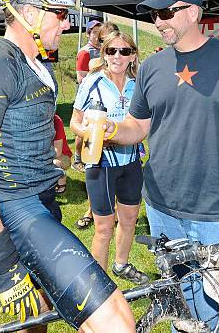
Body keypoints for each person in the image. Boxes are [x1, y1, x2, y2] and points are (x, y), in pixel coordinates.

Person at [0, 0, 134, 332]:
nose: (67, 24)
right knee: (116, 322)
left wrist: (50, 166)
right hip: (18, 209)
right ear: (30, 12)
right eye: (61, 13)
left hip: (42, 199)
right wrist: (4, 267)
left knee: (37, 319)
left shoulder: (37, 64)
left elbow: (25, 130)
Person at [99, 0, 219, 331]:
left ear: (193, 12)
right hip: (162, 205)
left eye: (166, 13)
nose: (159, 22)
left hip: (217, 207)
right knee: (183, 300)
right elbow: (139, 125)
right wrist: (112, 130)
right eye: (155, 15)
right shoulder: (151, 66)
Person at [70, 31, 148, 285]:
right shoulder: (91, 82)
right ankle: (99, 283)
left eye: (124, 51)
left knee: (129, 219)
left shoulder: (138, 85)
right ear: (104, 54)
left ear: (133, 56)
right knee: (104, 228)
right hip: (101, 162)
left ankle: (121, 265)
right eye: (112, 50)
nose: (117, 56)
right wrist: (91, 133)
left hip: (131, 161)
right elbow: (74, 122)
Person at [75, 21, 120, 230]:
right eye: (104, 42)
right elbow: (76, 118)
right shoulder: (94, 68)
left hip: (121, 131)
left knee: (122, 172)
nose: (109, 47)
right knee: (95, 172)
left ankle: (117, 209)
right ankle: (91, 210)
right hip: (96, 129)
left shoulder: (128, 69)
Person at [72, 19, 103, 173]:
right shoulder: (85, 52)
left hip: (102, 96)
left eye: (100, 33)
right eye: (95, 33)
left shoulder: (106, 49)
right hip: (87, 98)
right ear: (88, 34)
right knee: (84, 129)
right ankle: (77, 159)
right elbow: (81, 78)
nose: (98, 36)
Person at [53, 113, 72, 195]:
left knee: (54, 163)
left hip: (61, 156)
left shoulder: (56, 121)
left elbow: (57, 152)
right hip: (44, 154)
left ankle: (61, 180)